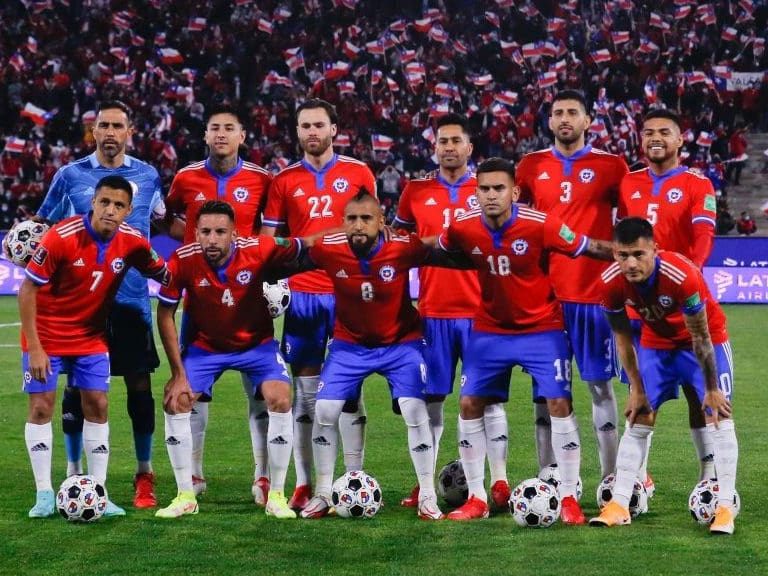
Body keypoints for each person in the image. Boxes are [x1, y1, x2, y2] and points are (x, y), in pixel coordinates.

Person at [433, 157, 614, 522]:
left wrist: (629, 255)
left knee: (559, 405)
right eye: (484, 189)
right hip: (490, 329)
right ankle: (479, 498)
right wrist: (387, 244)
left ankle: (567, 498)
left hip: (542, 329)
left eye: (499, 188)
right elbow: (434, 247)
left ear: (515, 192)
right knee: (469, 404)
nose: (491, 195)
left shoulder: (541, 224)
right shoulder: (464, 227)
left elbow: (588, 246)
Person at [35, 100, 166, 510]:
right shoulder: (69, 175)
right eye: (103, 125)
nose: (110, 132)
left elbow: (159, 222)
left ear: (130, 131)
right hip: (79, 309)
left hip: (130, 303)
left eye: (118, 125)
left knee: (139, 389)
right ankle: (76, 475)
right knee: (78, 393)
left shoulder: (147, 175)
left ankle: (144, 475)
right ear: (93, 130)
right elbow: (43, 224)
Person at [154, 200, 307, 519]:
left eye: (220, 232)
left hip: (257, 345)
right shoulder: (182, 259)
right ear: (195, 233)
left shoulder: (258, 249)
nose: (212, 239)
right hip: (206, 347)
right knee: (176, 400)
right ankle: (185, 495)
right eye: (206, 231)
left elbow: (303, 245)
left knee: (280, 399)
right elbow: (165, 314)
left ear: (234, 233)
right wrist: (177, 372)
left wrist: (340, 234)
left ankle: (276, 495)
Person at [299, 190, 444, 521]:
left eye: (366, 218)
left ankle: (427, 494)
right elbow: (293, 255)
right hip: (349, 345)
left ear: (381, 221)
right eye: (351, 219)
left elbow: (443, 252)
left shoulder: (403, 246)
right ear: (343, 222)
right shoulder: (328, 248)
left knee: (413, 408)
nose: (358, 225)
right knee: (325, 409)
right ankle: (323, 492)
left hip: (401, 343)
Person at [261, 98, 376, 511]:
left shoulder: (358, 173)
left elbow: (371, 230)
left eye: (319, 125)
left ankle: (354, 477)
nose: (312, 132)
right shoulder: (283, 181)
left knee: (349, 390)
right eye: (304, 125)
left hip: (347, 290)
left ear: (334, 130)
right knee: (306, 392)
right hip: (304, 294)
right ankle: (307, 483)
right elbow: (269, 241)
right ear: (297, 132)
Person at [590, 217, 739, 535]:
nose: (630, 263)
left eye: (638, 254)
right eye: (623, 255)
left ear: (654, 250)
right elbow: (622, 340)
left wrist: (711, 388)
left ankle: (725, 507)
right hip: (656, 344)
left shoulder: (683, 275)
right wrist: (636, 388)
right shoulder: (609, 282)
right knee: (639, 416)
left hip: (703, 340)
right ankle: (618, 505)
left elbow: (700, 336)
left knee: (719, 416)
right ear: (614, 253)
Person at [393, 113, 511, 509]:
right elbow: (400, 248)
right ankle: (424, 481)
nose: (448, 147)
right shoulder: (414, 191)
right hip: (433, 313)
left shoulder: (489, 190)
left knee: (487, 400)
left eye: (455, 140)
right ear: (434, 147)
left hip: (482, 314)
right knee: (432, 401)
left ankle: (500, 482)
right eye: (442, 141)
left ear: (469, 147)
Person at [516, 90, 628, 482]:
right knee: (545, 394)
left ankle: (612, 476)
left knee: (599, 387)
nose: (564, 119)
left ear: (587, 121)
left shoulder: (612, 166)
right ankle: (549, 475)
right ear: (548, 121)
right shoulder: (529, 167)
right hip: (544, 299)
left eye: (572, 113)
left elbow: (630, 226)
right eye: (557, 113)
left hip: (594, 297)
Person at [165, 104, 273, 505]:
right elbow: (167, 217)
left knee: (260, 391)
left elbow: (271, 228)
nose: (221, 134)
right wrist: (193, 245)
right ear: (205, 136)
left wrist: (256, 261)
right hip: (201, 297)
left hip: (249, 296)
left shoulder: (261, 179)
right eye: (215, 128)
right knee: (196, 392)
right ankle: (193, 473)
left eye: (229, 128)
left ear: (242, 135)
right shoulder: (186, 177)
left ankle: (263, 476)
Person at [619, 108, 718, 486]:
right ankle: (638, 480)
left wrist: (687, 275)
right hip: (641, 309)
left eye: (664, 131)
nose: (655, 138)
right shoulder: (629, 183)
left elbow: (703, 238)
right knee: (639, 393)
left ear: (680, 140)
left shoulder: (698, 183)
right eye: (648, 132)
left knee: (699, 393)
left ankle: (708, 476)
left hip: (683, 303)